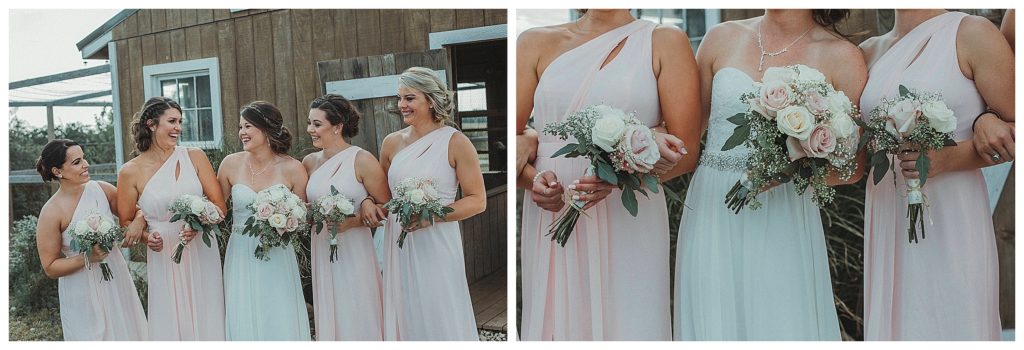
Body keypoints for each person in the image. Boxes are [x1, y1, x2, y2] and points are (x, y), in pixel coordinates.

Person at [674, 9, 866, 340]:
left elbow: (853, 166)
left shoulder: (842, 56)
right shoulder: (721, 37)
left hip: (783, 212)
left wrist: (792, 170)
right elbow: (685, 136)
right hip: (712, 210)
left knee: (780, 320)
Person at [517, 9, 699, 340]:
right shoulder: (533, 43)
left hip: (628, 214)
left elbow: (686, 151)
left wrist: (619, 174)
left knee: (629, 319)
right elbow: (512, 145)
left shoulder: (664, 41)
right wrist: (532, 180)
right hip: (555, 206)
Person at [859, 9, 1014, 340]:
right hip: (888, 217)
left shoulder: (973, 34)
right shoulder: (869, 51)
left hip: (952, 220)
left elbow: (1016, 130)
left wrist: (949, 158)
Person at [379, 67, 485, 340]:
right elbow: (382, 197)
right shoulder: (391, 144)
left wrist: (433, 216)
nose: (402, 105)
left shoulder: (456, 142)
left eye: (410, 98)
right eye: (399, 97)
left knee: (439, 305)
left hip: (437, 240)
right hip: (397, 240)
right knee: (404, 305)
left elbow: (477, 201)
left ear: (431, 100)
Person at [115, 96, 226, 340]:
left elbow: (219, 206)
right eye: (172, 121)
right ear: (152, 124)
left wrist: (201, 224)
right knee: (171, 313)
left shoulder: (194, 156)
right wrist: (146, 238)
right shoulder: (129, 171)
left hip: (200, 248)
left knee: (206, 308)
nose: (178, 127)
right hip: (164, 251)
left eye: (180, 121)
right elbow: (125, 222)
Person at [35, 139, 148, 340]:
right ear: (57, 171)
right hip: (80, 289)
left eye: (84, 158)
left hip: (115, 278)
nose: (86, 164)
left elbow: (133, 212)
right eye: (77, 162)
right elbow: (50, 267)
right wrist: (87, 258)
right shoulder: (51, 212)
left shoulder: (101, 189)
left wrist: (138, 222)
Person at [217, 101, 311, 340]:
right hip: (240, 251)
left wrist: (286, 219)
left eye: (248, 126)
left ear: (266, 128)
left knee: (277, 308)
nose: (242, 133)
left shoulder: (293, 168)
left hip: (277, 252)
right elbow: (216, 208)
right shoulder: (230, 163)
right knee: (242, 307)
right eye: (240, 127)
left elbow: (303, 217)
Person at [303, 94, 389, 340]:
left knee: (358, 307)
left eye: (317, 124)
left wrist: (352, 221)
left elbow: (386, 206)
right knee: (330, 308)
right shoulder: (309, 162)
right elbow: (305, 207)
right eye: (310, 123)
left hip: (355, 250)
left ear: (338, 126)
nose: (310, 129)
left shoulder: (361, 160)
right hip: (321, 248)